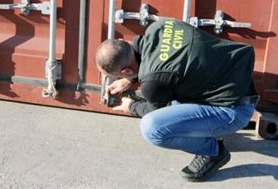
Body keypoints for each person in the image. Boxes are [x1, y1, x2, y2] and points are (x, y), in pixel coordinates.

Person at [97, 18, 259, 182]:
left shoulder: (152, 83)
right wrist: (130, 79)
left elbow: (154, 111)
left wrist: (131, 106)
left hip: (234, 110)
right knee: (174, 93)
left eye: (119, 75)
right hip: (238, 79)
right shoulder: (160, 26)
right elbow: (170, 59)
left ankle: (213, 151)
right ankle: (207, 129)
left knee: (153, 128)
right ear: (124, 42)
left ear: (125, 70)